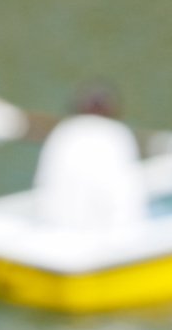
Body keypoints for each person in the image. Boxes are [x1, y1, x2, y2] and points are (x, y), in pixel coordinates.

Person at [32, 87, 147, 231]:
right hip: (107, 241)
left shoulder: (62, 132)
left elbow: (43, 186)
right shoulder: (117, 134)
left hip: (55, 232)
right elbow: (126, 197)